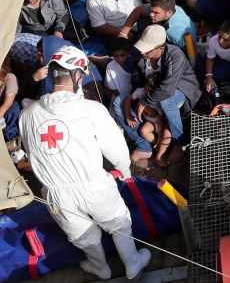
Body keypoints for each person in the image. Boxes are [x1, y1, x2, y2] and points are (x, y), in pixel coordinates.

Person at [18, 46, 151, 279]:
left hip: (55, 193)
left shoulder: (27, 115)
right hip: (93, 185)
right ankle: (132, 263)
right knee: (118, 222)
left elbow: (32, 151)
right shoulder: (91, 110)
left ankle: (100, 268)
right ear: (77, 75)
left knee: (82, 235)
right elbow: (117, 149)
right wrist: (124, 169)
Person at [131, 25, 201, 164]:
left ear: (160, 48)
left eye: (147, 51)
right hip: (152, 93)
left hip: (181, 90)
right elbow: (137, 81)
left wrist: (145, 102)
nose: (143, 54)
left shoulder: (175, 55)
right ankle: (147, 144)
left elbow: (168, 89)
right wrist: (141, 99)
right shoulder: (141, 58)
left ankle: (178, 141)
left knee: (167, 101)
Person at [104, 37, 153, 162]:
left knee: (118, 104)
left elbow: (141, 88)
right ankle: (142, 144)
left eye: (123, 55)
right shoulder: (111, 66)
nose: (119, 59)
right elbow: (113, 90)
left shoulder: (137, 64)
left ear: (129, 53)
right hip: (124, 101)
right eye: (116, 56)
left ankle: (143, 146)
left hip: (136, 100)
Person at [118, 0, 196, 48]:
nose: (151, 14)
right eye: (151, 11)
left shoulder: (173, 32)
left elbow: (191, 50)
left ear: (169, 12)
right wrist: (123, 33)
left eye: (156, 13)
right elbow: (139, 10)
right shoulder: (167, 7)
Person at [0, 56, 21, 142]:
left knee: (14, 109)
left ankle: (9, 135)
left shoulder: (10, 78)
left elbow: (7, 104)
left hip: (7, 110)